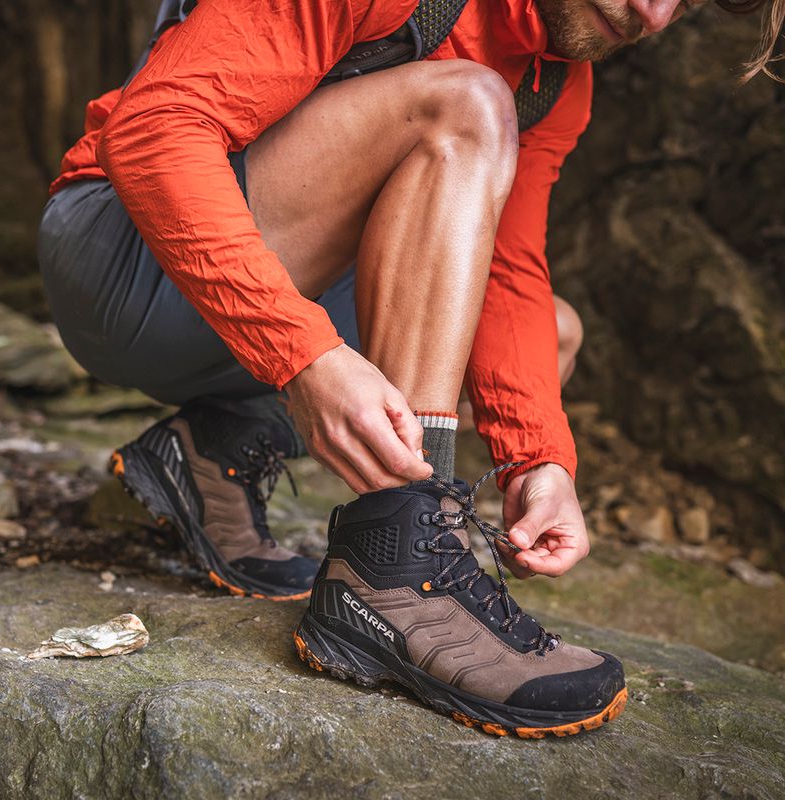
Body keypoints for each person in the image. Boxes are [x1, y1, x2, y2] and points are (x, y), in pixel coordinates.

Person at [38, 0, 782, 738]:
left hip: (233, 308)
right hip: (122, 258)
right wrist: (301, 352)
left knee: (550, 332)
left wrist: (538, 460)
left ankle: (214, 446)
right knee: (466, 104)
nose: (653, 16)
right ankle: (391, 571)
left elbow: (505, 270)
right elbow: (155, 130)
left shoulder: (555, 81)